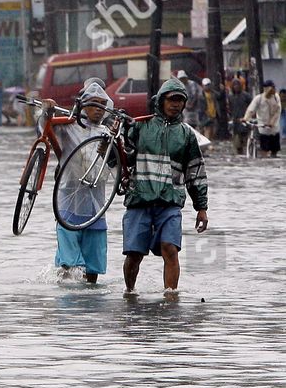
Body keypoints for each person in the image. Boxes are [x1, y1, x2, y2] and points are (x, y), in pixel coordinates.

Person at [121, 76, 208, 295]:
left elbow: (195, 172)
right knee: (134, 254)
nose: (175, 104)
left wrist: (202, 207)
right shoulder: (141, 125)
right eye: (171, 99)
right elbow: (122, 159)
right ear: (161, 101)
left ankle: (171, 296)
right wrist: (116, 142)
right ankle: (129, 293)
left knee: (170, 250)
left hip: (170, 203)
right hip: (139, 200)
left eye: (179, 100)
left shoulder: (187, 135)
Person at [45, 79, 112, 283]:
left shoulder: (107, 134)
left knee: (93, 266)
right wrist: (46, 112)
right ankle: (68, 303)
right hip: (68, 202)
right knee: (69, 261)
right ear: (83, 105)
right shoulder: (68, 127)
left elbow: (116, 167)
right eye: (93, 104)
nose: (98, 110)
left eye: (102, 105)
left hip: (96, 207)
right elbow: (45, 129)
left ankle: (89, 303)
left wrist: (109, 154)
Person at [244, 80, 282, 157]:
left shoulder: (276, 97)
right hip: (263, 126)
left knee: (274, 150)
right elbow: (251, 109)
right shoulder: (259, 98)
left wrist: (272, 122)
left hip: (274, 126)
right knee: (264, 148)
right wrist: (246, 118)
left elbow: (278, 111)